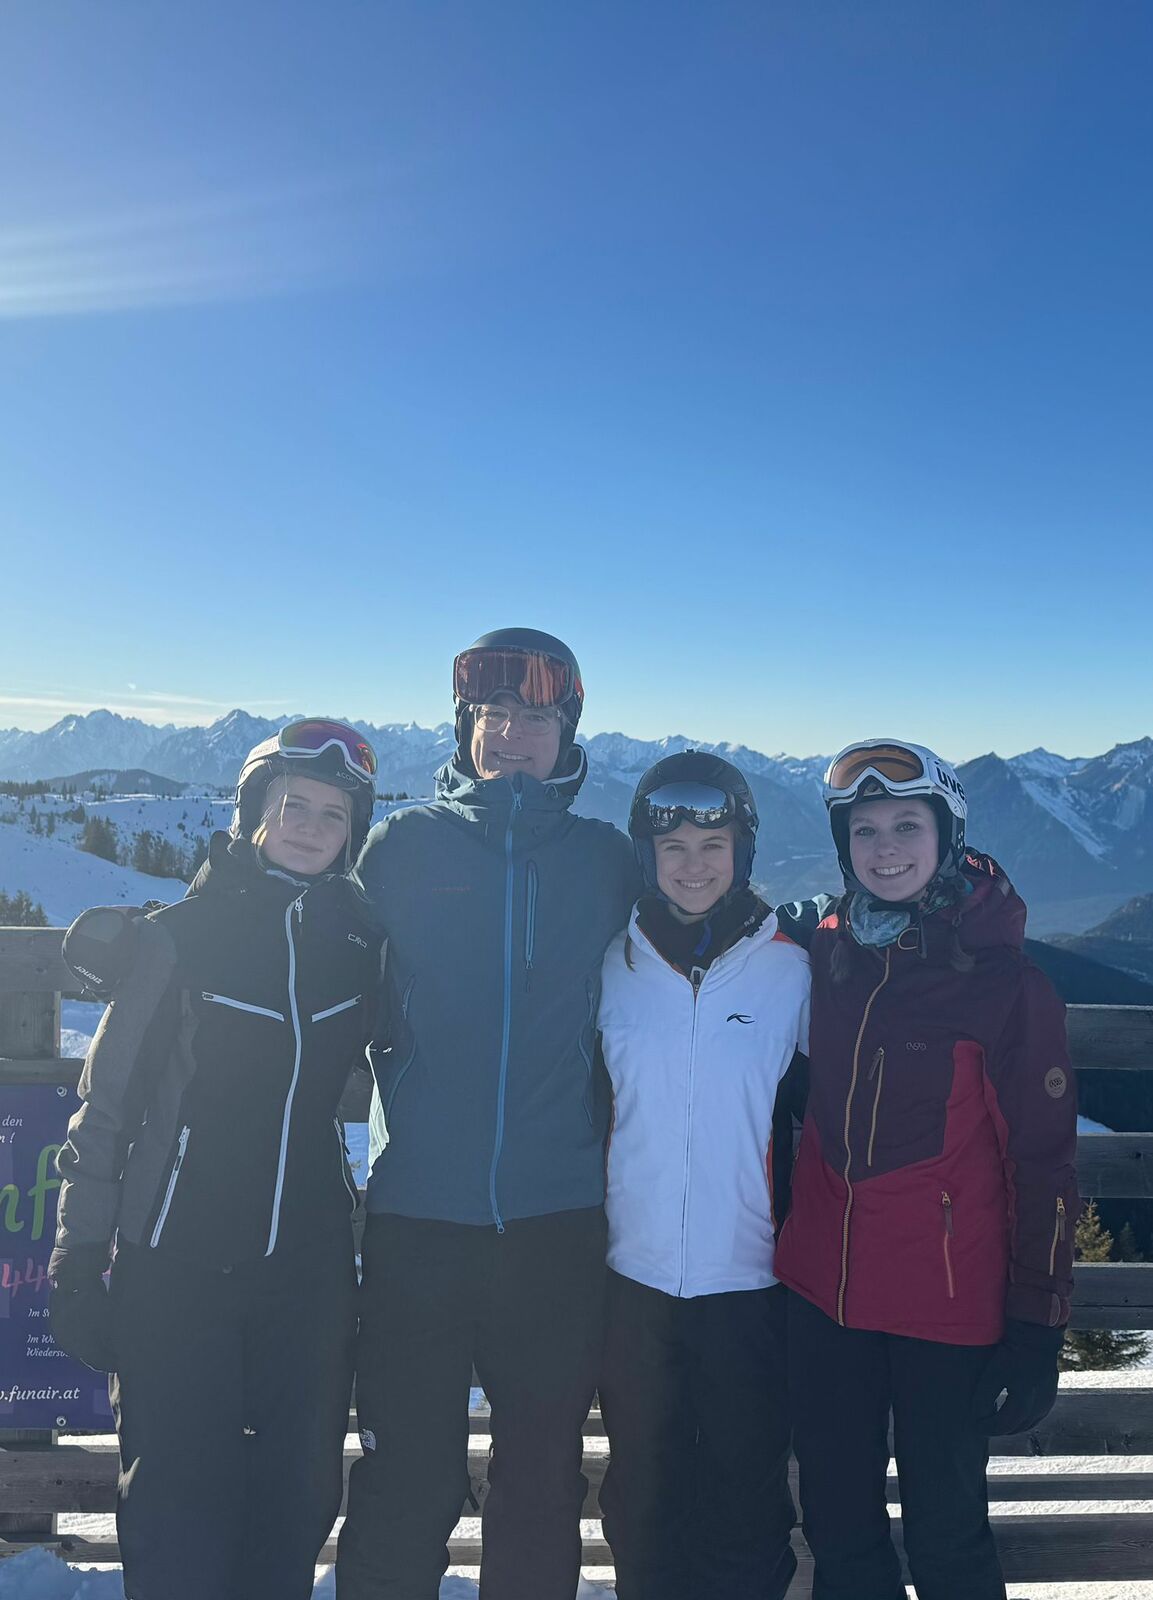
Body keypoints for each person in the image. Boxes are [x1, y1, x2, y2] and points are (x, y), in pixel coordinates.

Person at [48, 719, 382, 1600]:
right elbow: (106, 1108)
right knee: (176, 1500)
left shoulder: (356, 945)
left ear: (352, 834)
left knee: (296, 1496)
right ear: (255, 812)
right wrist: (78, 1256)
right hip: (177, 1262)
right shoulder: (180, 938)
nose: (311, 827)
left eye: (334, 815)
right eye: (294, 805)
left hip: (305, 1269)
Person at [337, 627, 639, 1600]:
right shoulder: (402, 849)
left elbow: (701, 922)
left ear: (568, 735)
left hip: (554, 1223)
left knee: (540, 1482)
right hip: (418, 1217)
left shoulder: (605, 861)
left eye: (537, 718)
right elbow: (310, 948)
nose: (513, 734)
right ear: (465, 725)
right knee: (405, 1477)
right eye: (495, 713)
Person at [774, 738, 1079, 1600]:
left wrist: (1037, 1322)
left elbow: (1042, 1162)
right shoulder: (824, 949)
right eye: (863, 830)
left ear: (947, 835)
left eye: (906, 825)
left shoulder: (1004, 985)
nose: (885, 849)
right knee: (838, 1529)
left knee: (947, 1536)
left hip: (944, 1306)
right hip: (822, 1299)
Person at [596, 751, 810, 1600]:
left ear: (742, 851)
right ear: (644, 854)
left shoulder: (790, 969)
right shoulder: (610, 964)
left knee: (745, 1496)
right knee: (639, 1495)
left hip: (748, 1283)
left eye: (712, 845)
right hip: (632, 1280)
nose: (692, 864)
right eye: (672, 846)